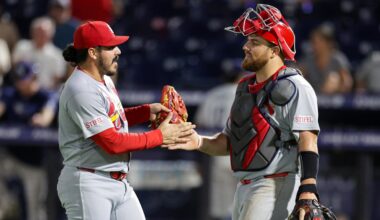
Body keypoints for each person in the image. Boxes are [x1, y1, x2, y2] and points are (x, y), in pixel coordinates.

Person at [166, 4, 324, 220]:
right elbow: (230, 142)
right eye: (247, 40)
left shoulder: (294, 86)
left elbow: (308, 139)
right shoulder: (245, 87)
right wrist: (198, 142)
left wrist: (308, 189)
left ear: (274, 51)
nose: (246, 47)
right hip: (244, 188)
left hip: (276, 185)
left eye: (254, 42)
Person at [56, 20, 195, 220]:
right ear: (93, 53)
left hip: (116, 181)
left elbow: (110, 119)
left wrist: (144, 112)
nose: (118, 51)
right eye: (111, 46)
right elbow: (112, 142)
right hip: (89, 182)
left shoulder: (104, 79)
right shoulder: (81, 89)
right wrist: (158, 136)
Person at [0, 61, 58, 220]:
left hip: (34, 163)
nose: (21, 83)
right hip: (11, 157)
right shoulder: (10, 94)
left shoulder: (45, 95)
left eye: (25, 79)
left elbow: (47, 116)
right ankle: (8, 204)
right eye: (18, 79)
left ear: (34, 78)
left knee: (36, 208)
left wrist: (42, 118)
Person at [194, 58, 241, 220]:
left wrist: (198, 161)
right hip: (241, 153)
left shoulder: (212, 94)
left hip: (215, 155)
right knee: (245, 206)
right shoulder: (246, 91)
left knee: (221, 211)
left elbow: (199, 127)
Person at [299, 23, 353, 94]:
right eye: (313, 42)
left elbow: (347, 83)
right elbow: (298, 78)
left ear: (328, 43)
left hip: (334, 99)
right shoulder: (308, 59)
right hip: (313, 96)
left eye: (318, 41)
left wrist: (337, 88)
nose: (314, 45)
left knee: (334, 78)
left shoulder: (338, 59)